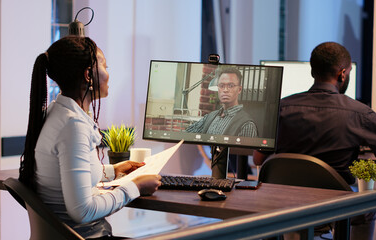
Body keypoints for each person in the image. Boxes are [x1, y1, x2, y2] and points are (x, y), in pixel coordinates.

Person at [253, 42, 376, 240]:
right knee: (367, 208)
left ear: (313, 72)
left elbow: (257, 159)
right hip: (334, 206)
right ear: (342, 74)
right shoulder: (359, 113)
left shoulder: (280, 108)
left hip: (285, 202)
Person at [19, 36, 161, 239]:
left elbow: (69, 174)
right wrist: (135, 187)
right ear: (88, 75)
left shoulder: (58, 113)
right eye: (105, 66)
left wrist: (113, 171)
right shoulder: (72, 126)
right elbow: (83, 211)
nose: (108, 74)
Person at [186, 66, 258, 137]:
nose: (225, 90)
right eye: (221, 86)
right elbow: (186, 134)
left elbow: (245, 149)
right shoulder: (210, 116)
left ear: (239, 89)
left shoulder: (246, 124)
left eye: (231, 85)